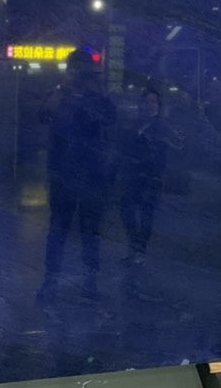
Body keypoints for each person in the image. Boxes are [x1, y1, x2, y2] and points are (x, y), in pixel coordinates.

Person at [37, 48, 116, 301]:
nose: (81, 75)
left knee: (89, 231)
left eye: (84, 70)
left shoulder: (96, 97)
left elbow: (111, 118)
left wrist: (98, 89)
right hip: (65, 175)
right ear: (70, 70)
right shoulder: (59, 94)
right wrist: (65, 89)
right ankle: (51, 282)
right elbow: (43, 115)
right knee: (59, 230)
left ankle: (88, 284)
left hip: (89, 175)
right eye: (78, 70)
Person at [119, 89, 183, 265]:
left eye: (153, 102)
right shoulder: (135, 124)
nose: (149, 105)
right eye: (146, 102)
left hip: (150, 177)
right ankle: (134, 245)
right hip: (133, 175)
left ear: (158, 105)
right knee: (127, 211)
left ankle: (139, 249)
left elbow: (169, 152)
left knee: (146, 215)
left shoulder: (162, 126)